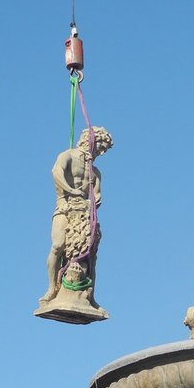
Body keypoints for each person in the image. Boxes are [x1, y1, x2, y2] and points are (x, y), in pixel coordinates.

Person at [40, 126, 114, 306]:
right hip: (65, 207)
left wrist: (97, 197)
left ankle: (91, 295)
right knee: (58, 245)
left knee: (91, 256)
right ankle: (52, 288)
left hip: (84, 213)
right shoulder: (68, 155)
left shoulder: (95, 172)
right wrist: (70, 190)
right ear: (90, 141)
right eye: (100, 146)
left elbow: (96, 192)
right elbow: (56, 173)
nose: (101, 152)